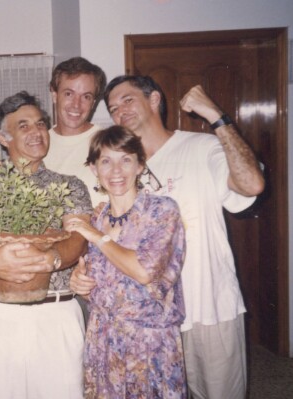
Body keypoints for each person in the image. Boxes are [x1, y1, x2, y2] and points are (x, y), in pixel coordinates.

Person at [74, 75, 265, 399]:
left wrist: (215, 115)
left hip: (207, 307)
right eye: (113, 108)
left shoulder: (202, 147)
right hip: (142, 327)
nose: (120, 111)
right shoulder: (118, 180)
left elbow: (252, 185)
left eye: (128, 100)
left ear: (155, 99)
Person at [0, 91, 93, 399]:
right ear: (3, 137)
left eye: (41, 124)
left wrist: (53, 259)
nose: (37, 132)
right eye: (24, 126)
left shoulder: (70, 185)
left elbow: (78, 237)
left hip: (54, 314)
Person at [66, 125, 186, 398]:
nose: (116, 171)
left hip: (148, 344)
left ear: (141, 166)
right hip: (102, 342)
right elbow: (99, 286)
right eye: (106, 161)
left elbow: (144, 271)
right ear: (94, 169)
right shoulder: (96, 220)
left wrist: (98, 238)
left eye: (126, 160)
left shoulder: (162, 211)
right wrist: (79, 283)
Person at [44, 56, 107, 207]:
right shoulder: (38, 144)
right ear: (54, 95)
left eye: (86, 96)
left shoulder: (108, 143)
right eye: (68, 94)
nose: (76, 105)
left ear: (93, 102)